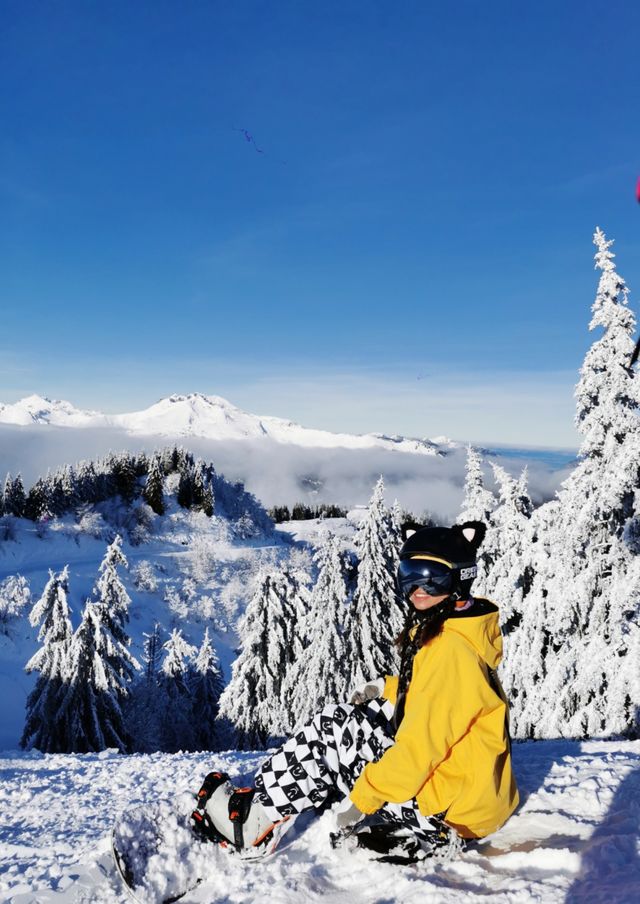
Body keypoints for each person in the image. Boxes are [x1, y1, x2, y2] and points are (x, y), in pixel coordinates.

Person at [196, 520, 519, 860]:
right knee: (364, 715)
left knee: (331, 728)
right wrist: (388, 688)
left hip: (450, 814)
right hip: (474, 799)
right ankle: (279, 792)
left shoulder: (449, 652)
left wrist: (361, 799)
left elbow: (418, 752)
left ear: (459, 579)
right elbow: (443, 701)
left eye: (432, 576)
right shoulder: (462, 630)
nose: (417, 589)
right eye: (409, 574)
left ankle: (251, 827)